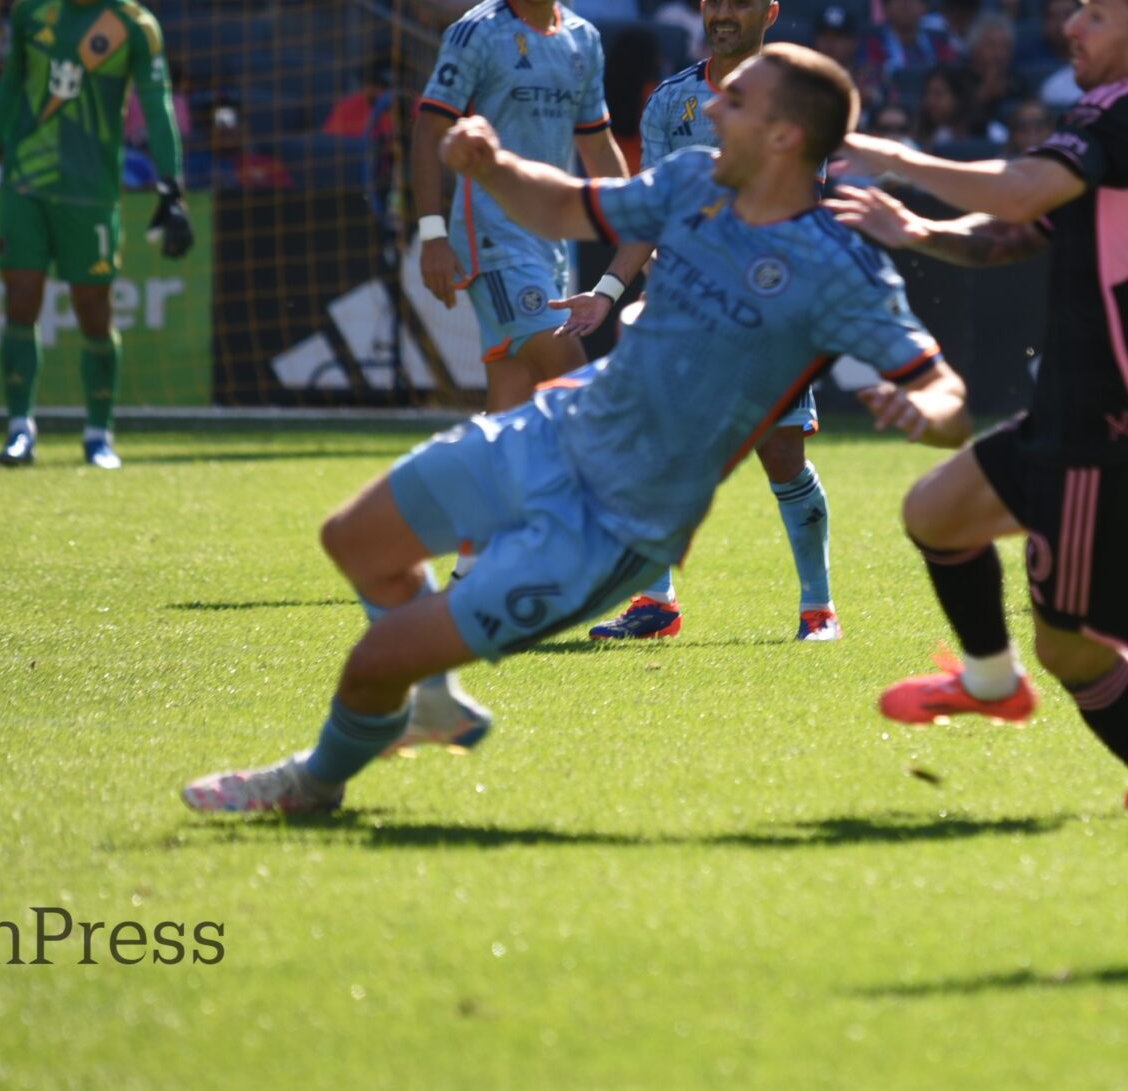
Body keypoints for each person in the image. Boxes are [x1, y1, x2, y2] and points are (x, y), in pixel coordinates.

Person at [181, 47, 967, 815]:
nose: (711, 108)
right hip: (556, 427)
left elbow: (946, 396)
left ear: (783, 136)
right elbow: (564, 204)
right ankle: (429, 704)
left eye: (735, 100)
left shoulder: (841, 268)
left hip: (615, 520)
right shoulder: (694, 179)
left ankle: (311, 785)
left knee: (372, 661)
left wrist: (921, 411)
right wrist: (491, 166)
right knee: (355, 538)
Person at [833, 0, 1128, 817]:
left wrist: (889, 155)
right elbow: (1016, 230)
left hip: (1117, 443)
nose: (1072, 24)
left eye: (1096, 11)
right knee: (935, 512)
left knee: (1075, 654)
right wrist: (913, 230)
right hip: (1084, 421)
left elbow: (1020, 194)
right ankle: (990, 683)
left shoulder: (1127, 117)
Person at [574, 0, 845, 641]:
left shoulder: (799, 101)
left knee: (782, 457)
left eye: (741, 0)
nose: (724, 12)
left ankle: (819, 610)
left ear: (769, 13)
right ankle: (654, 602)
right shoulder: (669, 101)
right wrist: (607, 290)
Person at [0, 0, 191, 471]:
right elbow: (10, 85)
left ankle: (99, 434)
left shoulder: (132, 24)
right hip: (26, 182)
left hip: (91, 190)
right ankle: (19, 428)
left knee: (93, 310)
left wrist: (172, 186)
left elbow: (158, 108)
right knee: (21, 298)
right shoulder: (31, 8)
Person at [408, 0, 626, 416]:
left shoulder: (583, 40)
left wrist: (641, 215)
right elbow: (427, 131)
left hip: (550, 242)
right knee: (575, 384)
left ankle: (484, 495)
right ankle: (613, 493)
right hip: (491, 237)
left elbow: (596, 144)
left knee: (511, 396)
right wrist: (433, 236)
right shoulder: (475, 33)